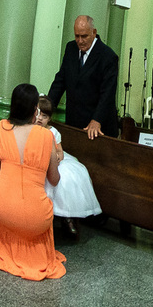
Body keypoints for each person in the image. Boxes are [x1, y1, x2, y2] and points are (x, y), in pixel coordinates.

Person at [0, 84, 66, 280]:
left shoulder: (1, 128)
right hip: (38, 219)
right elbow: (54, 180)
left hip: (2, 210)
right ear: (35, 109)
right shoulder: (47, 136)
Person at [46, 15, 120, 140]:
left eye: (84, 36)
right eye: (77, 36)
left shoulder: (108, 56)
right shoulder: (71, 48)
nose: (80, 41)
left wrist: (97, 120)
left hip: (98, 127)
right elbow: (60, 81)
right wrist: (46, 110)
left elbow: (107, 93)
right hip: (74, 122)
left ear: (94, 32)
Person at [35, 96, 101, 234]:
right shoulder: (32, 129)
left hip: (53, 160)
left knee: (67, 178)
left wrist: (58, 156)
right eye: (38, 114)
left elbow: (59, 149)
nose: (40, 119)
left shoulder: (52, 132)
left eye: (44, 116)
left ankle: (67, 216)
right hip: (37, 159)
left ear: (49, 119)